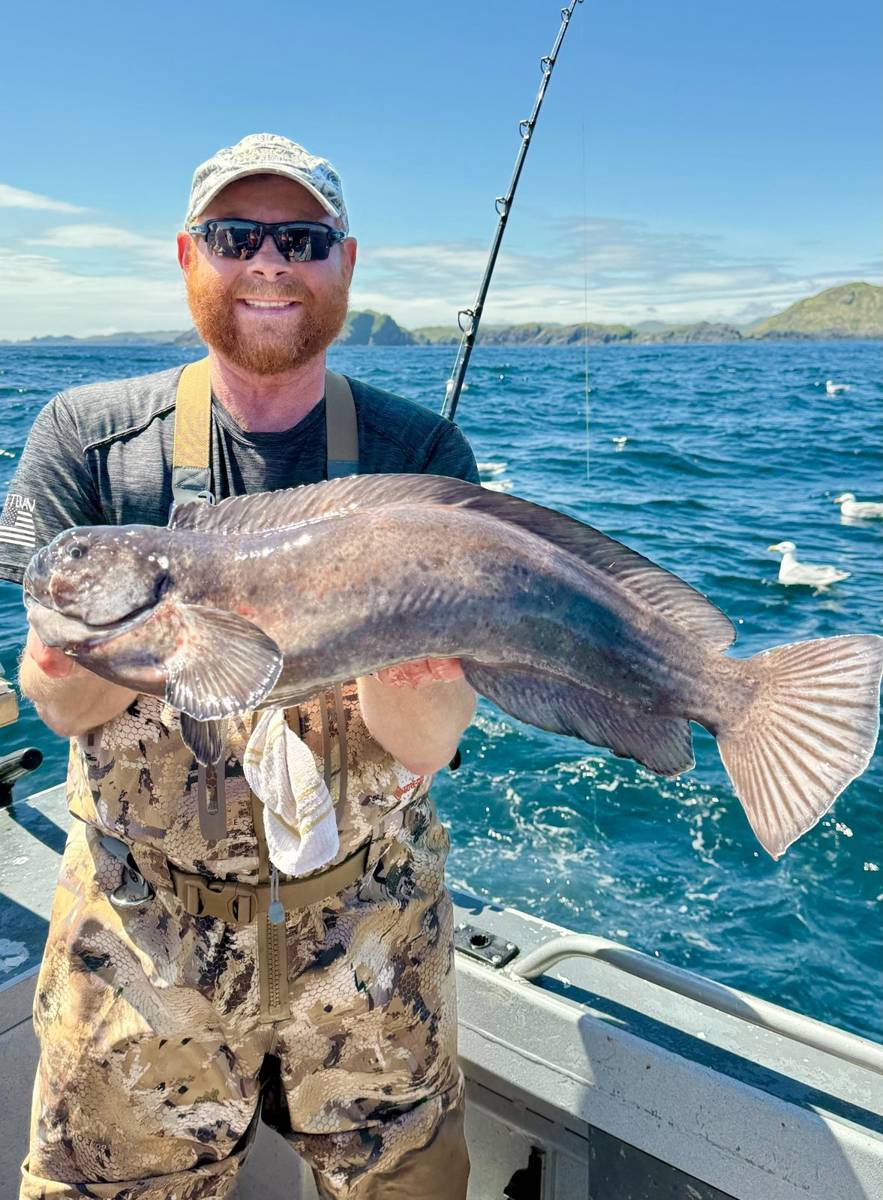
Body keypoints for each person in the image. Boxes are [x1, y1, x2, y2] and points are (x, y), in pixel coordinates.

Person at [2, 133, 479, 1199]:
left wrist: (408, 657)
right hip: (137, 939)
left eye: (301, 240)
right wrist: (123, 634)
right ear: (188, 255)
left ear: (344, 262)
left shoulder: (421, 461)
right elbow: (60, 705)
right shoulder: (85, 438)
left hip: (374, 935)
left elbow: (428, 743)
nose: (268, 262)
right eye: (234, 236)